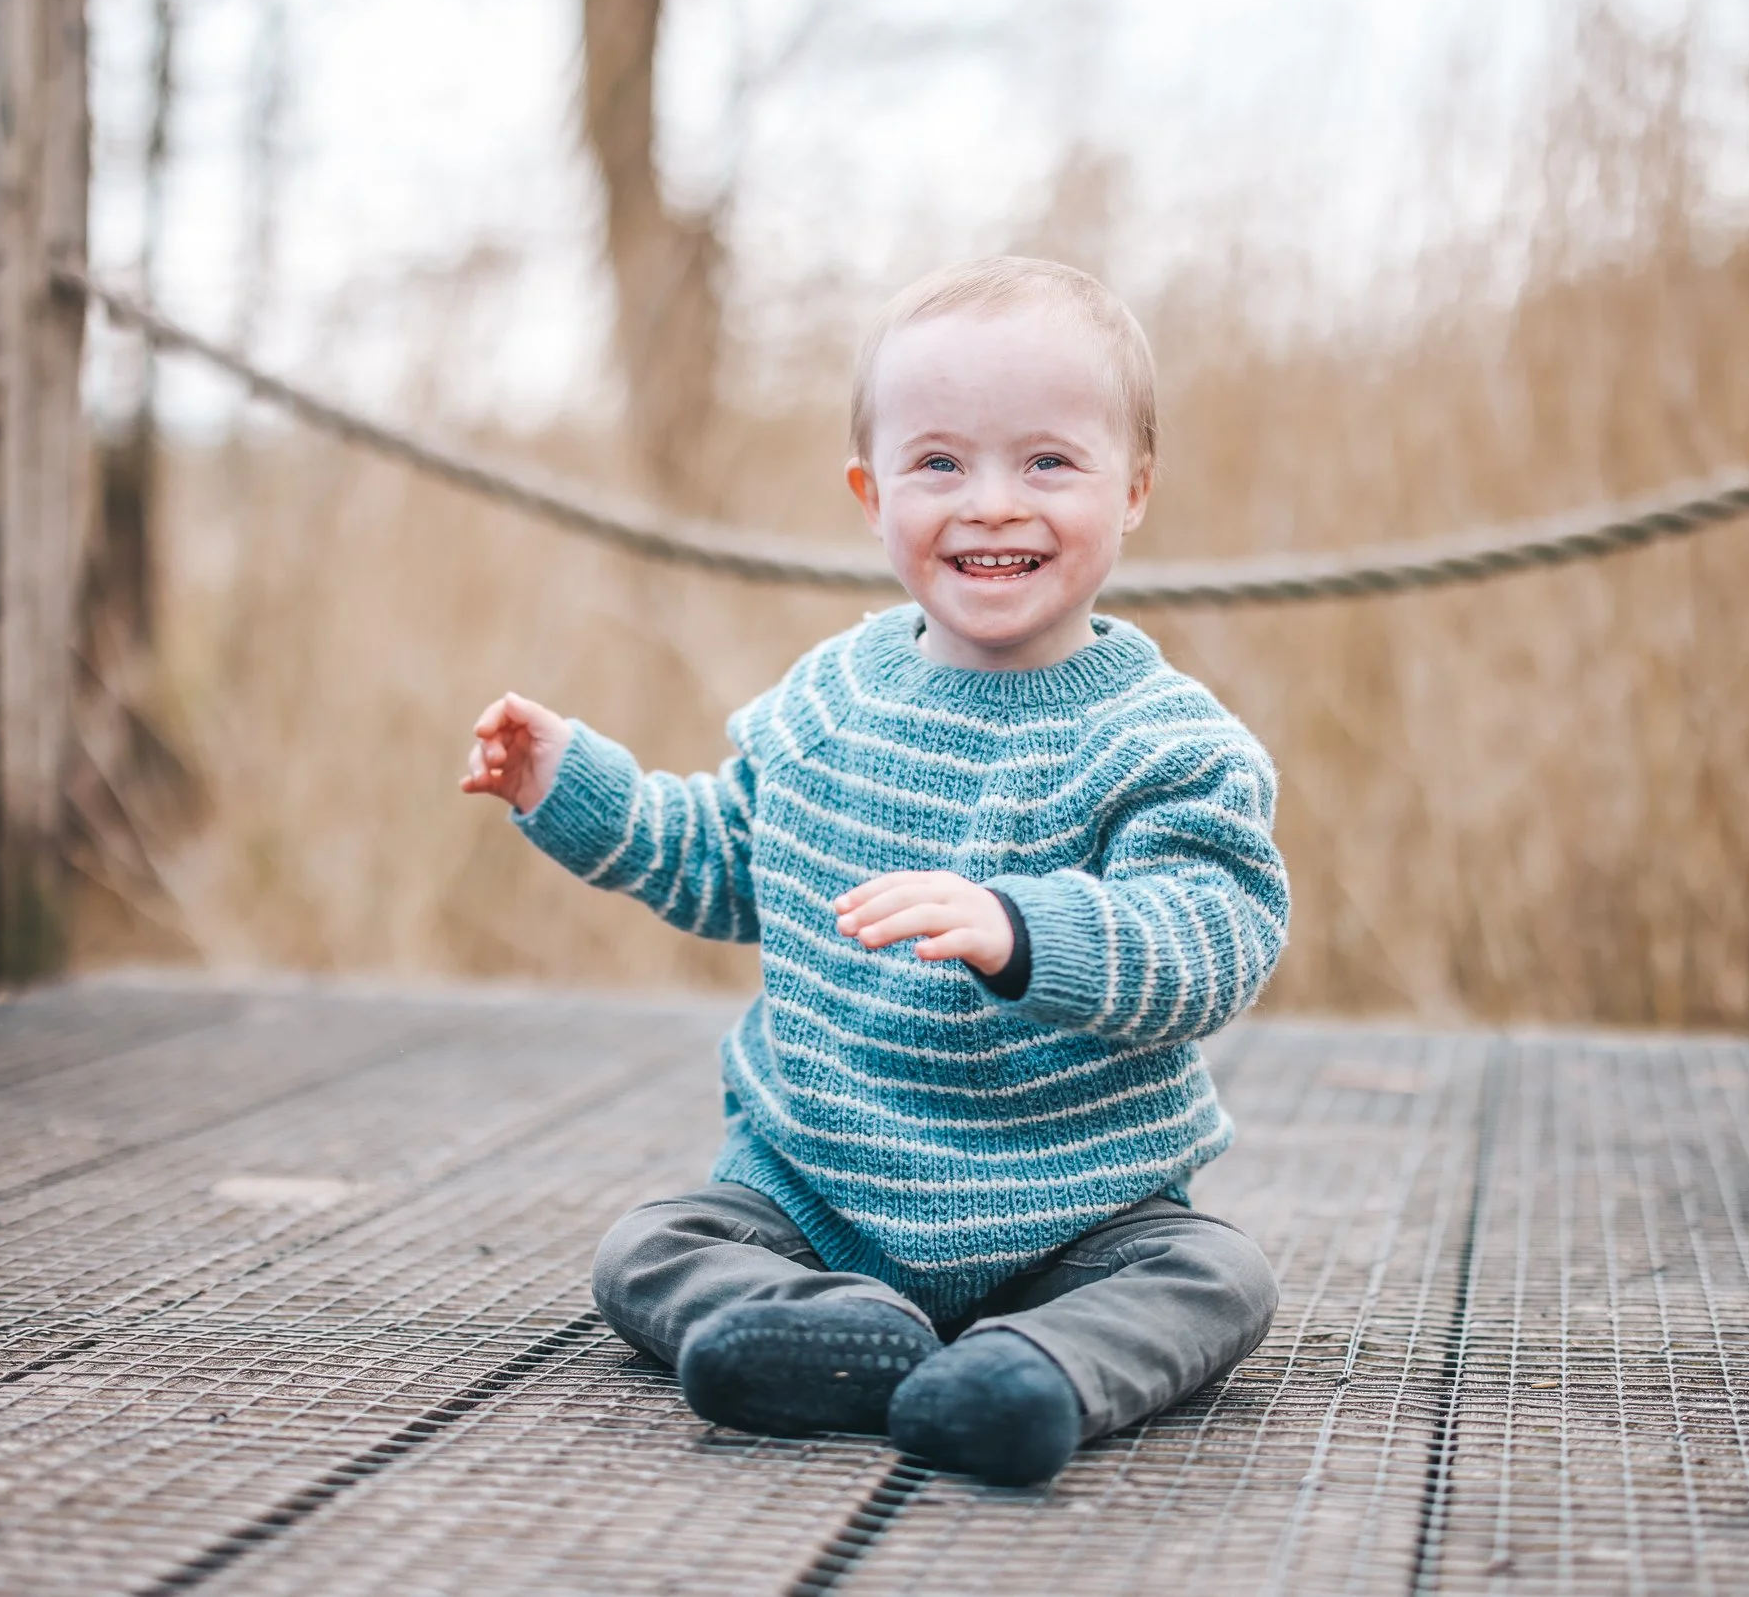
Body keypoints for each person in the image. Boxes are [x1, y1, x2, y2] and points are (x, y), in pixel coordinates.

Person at [459, 255, 1289, 1487]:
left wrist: (1022, 927)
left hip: (1079, 1209)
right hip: (814, 1193)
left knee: (1216, 1275)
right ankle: (838, 1341)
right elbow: (727, 860)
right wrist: (570, 786)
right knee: (650, 1244)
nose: (992, 504)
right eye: (939, 463)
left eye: (1048, 462)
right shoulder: (831, 699)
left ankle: (1031, 1371)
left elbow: (1213, 940)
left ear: (1134, 491)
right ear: (870, 493)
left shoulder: (1168, 741)